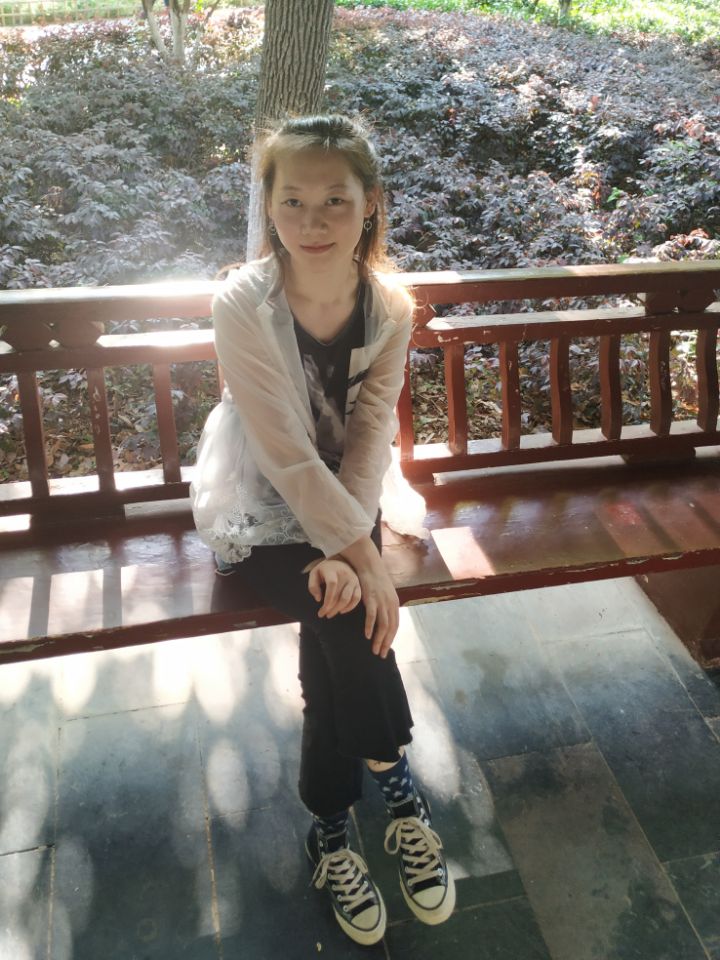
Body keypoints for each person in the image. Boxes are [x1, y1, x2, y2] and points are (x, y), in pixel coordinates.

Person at [191, 114, 455, 946]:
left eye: (335, 200)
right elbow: (281, 449)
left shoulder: (389, 306)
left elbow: (372, 430)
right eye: (292, 200)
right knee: (347, 610)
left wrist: (355, 552)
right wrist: (362, 559)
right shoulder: (242, 302)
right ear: (268, 205)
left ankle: (332, 830)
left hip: (346, 492)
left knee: (337, 618)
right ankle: (396, 785)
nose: (312, 221)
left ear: (369, 203)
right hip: (260, 499)